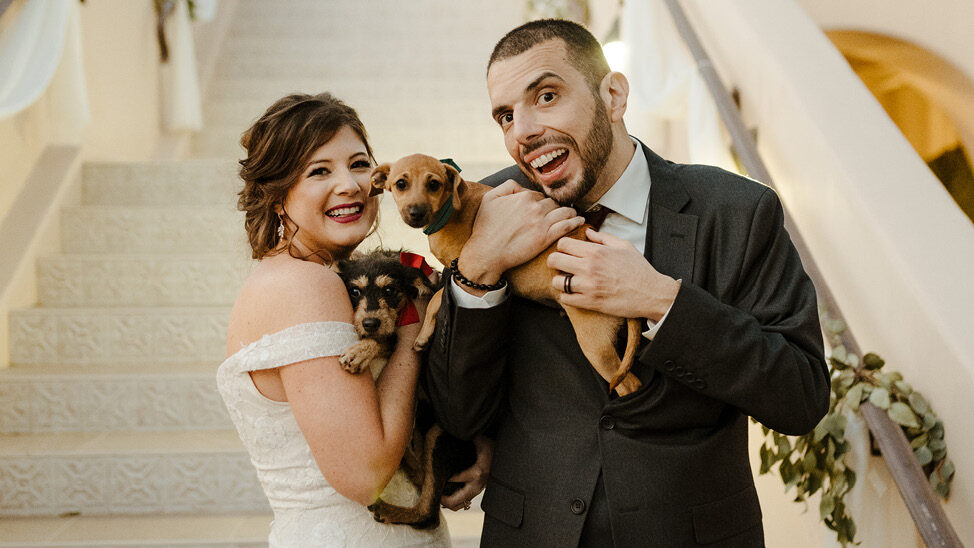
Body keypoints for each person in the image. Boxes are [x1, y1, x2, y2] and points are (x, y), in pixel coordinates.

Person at [424, 20, 831, 546]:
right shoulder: (489, 208)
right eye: (505, 115)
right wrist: (477, 269)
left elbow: (800, 396)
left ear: (613, 95)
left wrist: (662, 301)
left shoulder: (737, 210)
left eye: (546, 96)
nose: (521, 131)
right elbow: (458, 413)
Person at [217, 93, 455, 547]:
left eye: (359, 164)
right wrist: (411, 326)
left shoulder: (302, 276)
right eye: (319, 171)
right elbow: (366, 476)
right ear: (277, 195)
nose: (350, 185)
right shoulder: (307, 285)